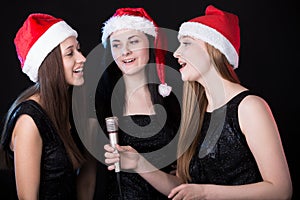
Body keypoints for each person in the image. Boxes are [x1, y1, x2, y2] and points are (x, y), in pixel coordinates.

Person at [104, 5, 293, 200]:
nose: (176, 53)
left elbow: (281, 191)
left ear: (212, 49)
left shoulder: (250, 107)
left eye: (186, 43)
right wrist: (138, 163)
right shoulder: (197, 112)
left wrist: (205, 192)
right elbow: (184, 187)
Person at [90, 7, 181, 200]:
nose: (125, 51)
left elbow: (183, 187)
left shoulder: (175, 102)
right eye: (116, 45)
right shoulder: (99, 105)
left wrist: (138, 163)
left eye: (133, 41)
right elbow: (87, 179)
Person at [0, 13, 88, 199]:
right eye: (70, 53)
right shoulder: (29, 121)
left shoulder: (71, 107)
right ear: (49, 63)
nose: (82, 59)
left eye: (79, 50)